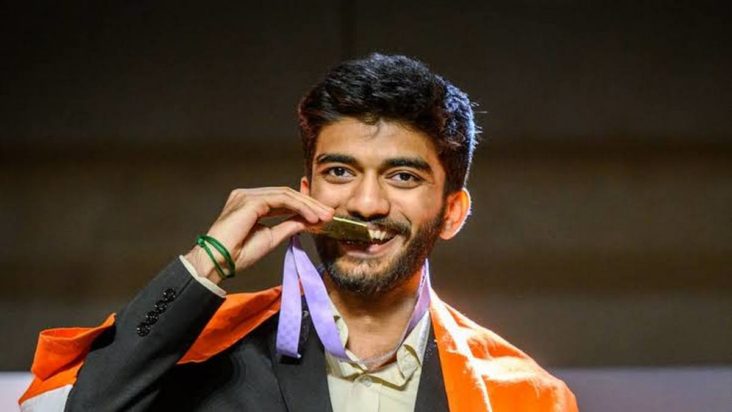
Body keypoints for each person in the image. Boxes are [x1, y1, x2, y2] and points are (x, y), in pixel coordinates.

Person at [19, 54, 577, 411]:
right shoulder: (205, 354)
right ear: (305, 192)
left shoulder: (520, 397)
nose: (366, 203)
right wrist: (206, 261)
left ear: (453, 212)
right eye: (340, 172)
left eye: (403, 176)